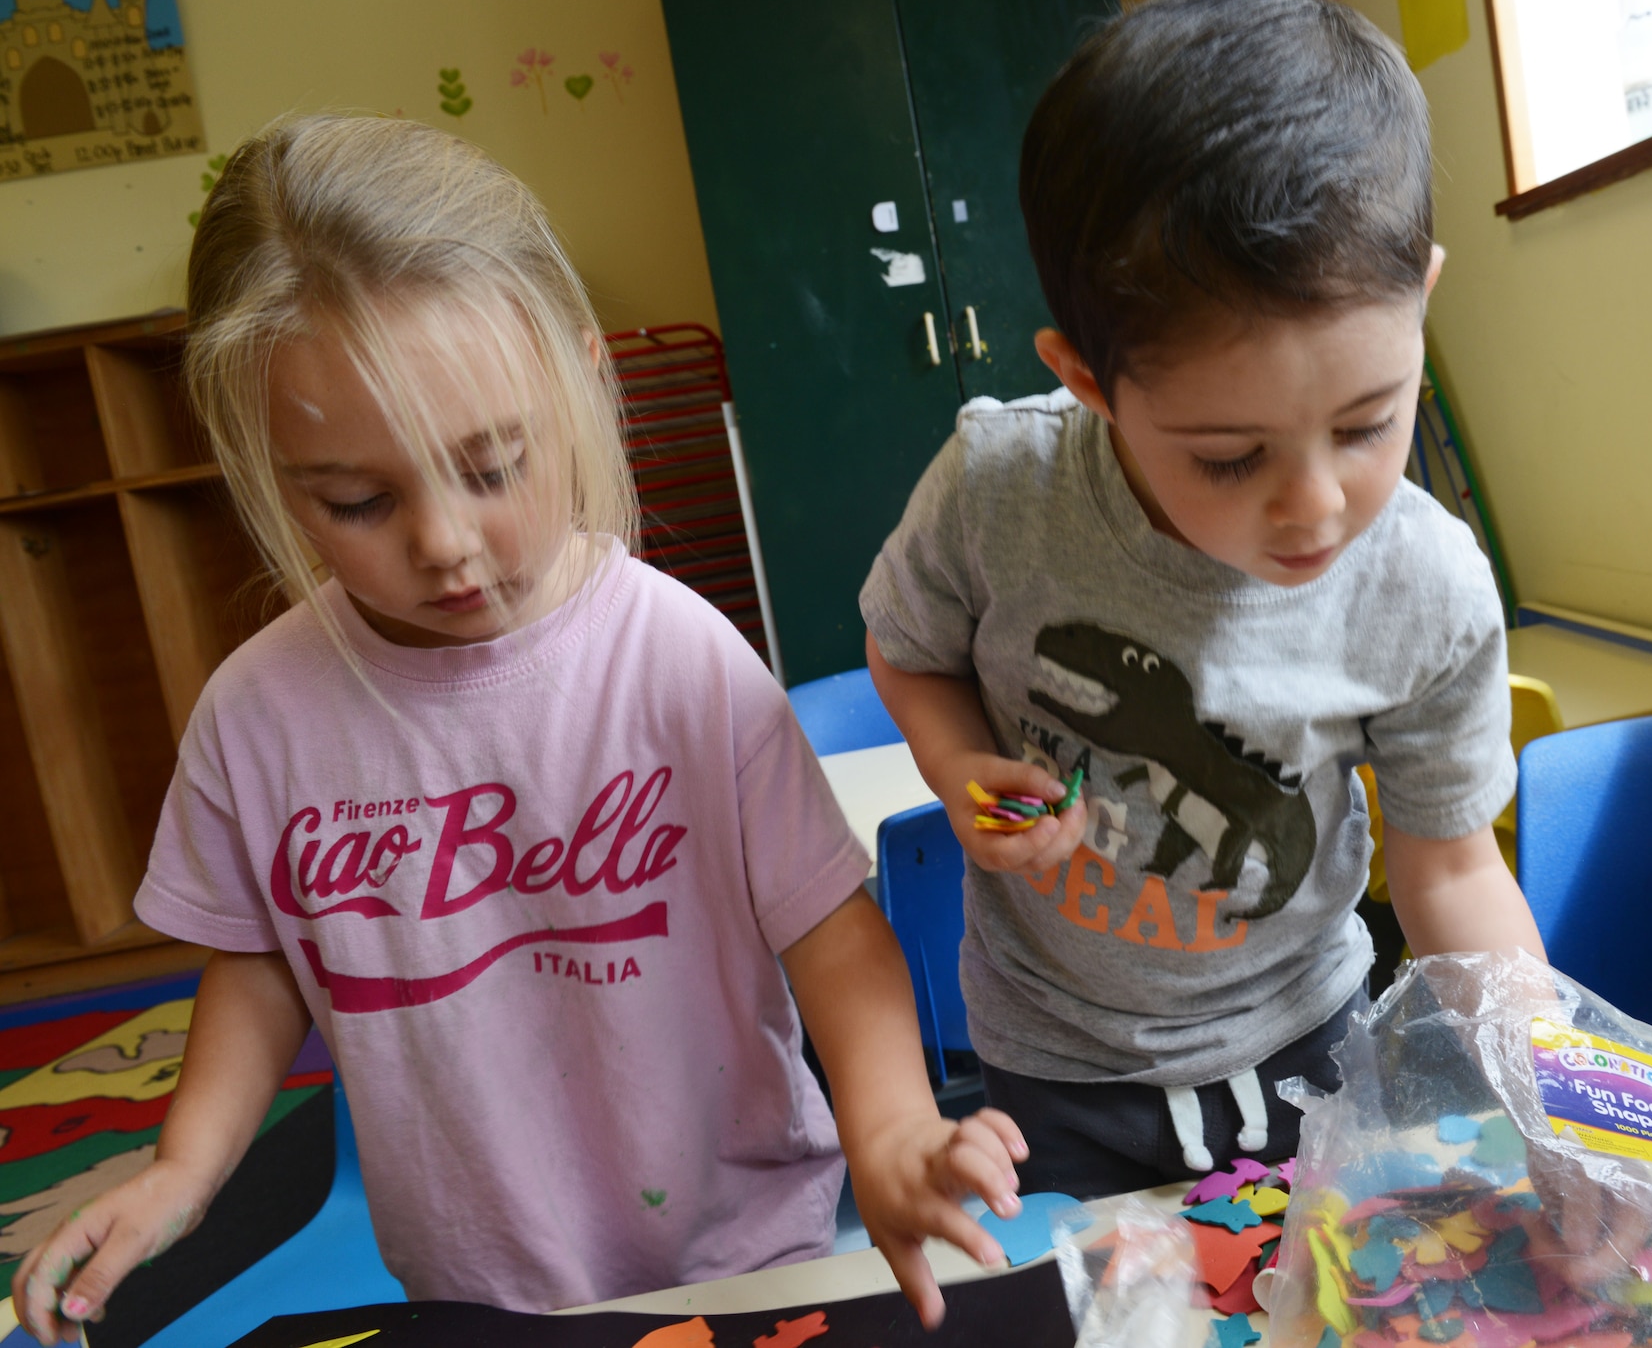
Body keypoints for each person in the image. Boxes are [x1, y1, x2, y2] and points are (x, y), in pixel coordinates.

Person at [10, 114, 1023, 1343]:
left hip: (739, 1257)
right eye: (359, 500)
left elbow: (827, 928)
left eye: (490, 466)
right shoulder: (257, 715)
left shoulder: (674, 654)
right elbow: (266, 955)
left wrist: (893, 1132)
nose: (442, 542)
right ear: (269, 475)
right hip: (467, 1285)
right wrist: (183, 1164)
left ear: (580, 376)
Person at [861, 0, 1547, 1197]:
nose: (1315, 506)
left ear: (1422, 298)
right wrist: (958, 765)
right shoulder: (997, 487)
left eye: (1367, 422)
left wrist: (1551, 1101)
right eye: (1228, 456)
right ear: (1085, 378)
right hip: (1056, 1072)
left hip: (1317, 1042)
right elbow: (908, 650)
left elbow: (1447, 871)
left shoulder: (1426, 584)